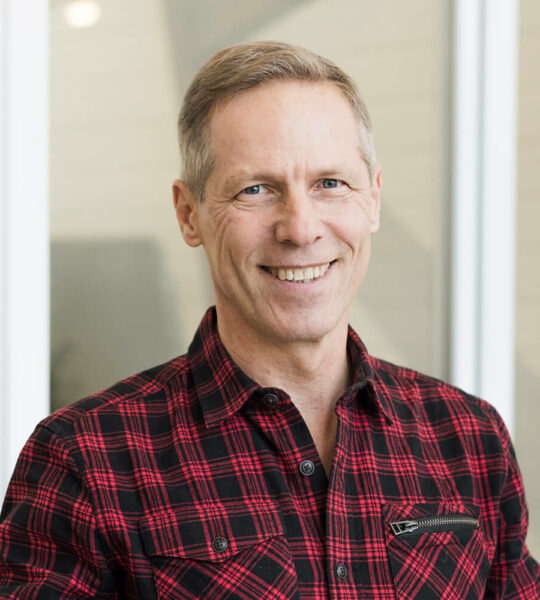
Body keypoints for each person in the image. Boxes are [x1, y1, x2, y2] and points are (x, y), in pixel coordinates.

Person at [0, 41, 538, 599]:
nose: (300, 229)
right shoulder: (84, 460)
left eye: (331, 183)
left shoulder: (469, 438)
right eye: (255, 189)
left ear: (373, 200)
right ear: (189, 214)